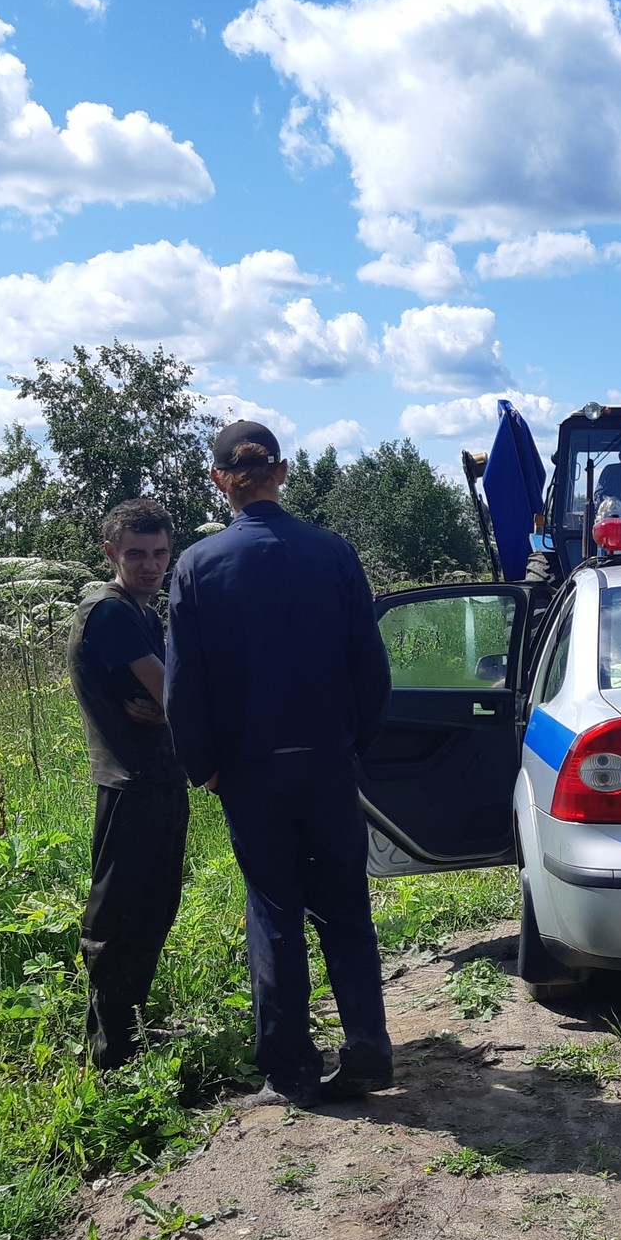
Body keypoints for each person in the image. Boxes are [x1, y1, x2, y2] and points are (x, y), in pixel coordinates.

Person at [164, 421, 396, 1108]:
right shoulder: (332, 553)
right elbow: (370, 671)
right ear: (284, 472)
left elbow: (184, 689)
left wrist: (203, 766)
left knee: (273, 913)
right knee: (346, 908)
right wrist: (355, 747)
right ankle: (368, 1053)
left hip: (249, 770)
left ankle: (291, 1069)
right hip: (326, 764)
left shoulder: (199, 567)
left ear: (218, 480)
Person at [67, 497, 190, 1071]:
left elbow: (176, 699)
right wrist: (176, 708)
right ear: (111, 551)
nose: (150, 565)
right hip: (131, 787)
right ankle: (111, 1056)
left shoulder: (145, 611)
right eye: (137, 553)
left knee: (154, 913)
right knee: (119, 922)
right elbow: (177, 695)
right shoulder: (111, 612)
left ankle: (130, 1037)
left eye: (160, 553)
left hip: (159, 781)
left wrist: (175, 709)